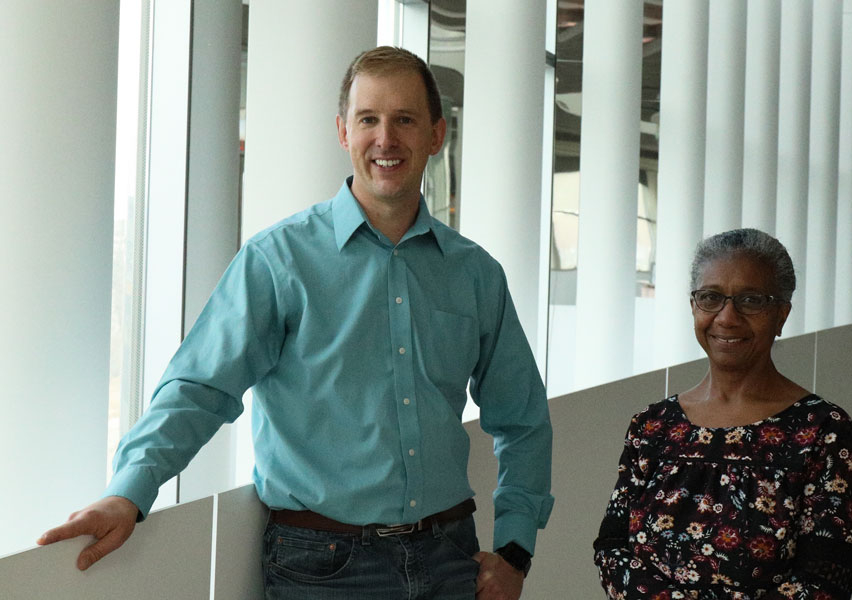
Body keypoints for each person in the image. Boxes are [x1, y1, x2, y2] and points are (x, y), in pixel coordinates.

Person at [37, 46, 552, 600]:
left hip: (451, 558)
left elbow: (521, 419)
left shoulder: (474, 273)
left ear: (436, 135)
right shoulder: (278, 261)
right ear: (342, 132)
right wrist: (130, 490)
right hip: (321, 568)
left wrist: (516, 549)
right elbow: (200, 387)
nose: (386, 139)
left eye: (404, 119)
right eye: (368, 119)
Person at [593, 228, 852, 599]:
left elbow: (828, 576)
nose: (727, 317)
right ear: (694, 307)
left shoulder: (821, 430)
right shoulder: (651, 426)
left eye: (751, 300)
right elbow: (612, 547)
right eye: (711, 298)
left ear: (781, 314)